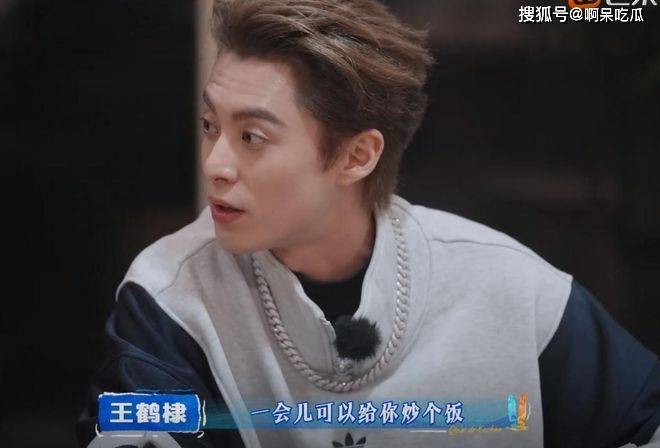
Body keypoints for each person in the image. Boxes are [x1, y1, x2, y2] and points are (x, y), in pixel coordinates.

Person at [77, 0, 660, 447]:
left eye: (251, 136)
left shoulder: (509, 288)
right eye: (211, 126)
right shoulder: (170, 298)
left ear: (357, 156)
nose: (215, 164)